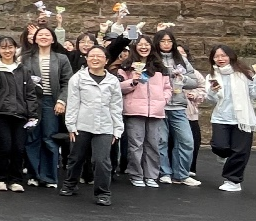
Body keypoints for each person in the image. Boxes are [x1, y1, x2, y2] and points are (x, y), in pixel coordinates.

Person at [62, 45, 124, 206]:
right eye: (92, 56)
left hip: (105, 127)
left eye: (99, 56)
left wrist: (117, 130)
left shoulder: (112, 81)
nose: (95, 59)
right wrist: (71, 126)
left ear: (106, 60)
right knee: (76, 157)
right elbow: (73, 103)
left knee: (101, 161)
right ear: (87, 59)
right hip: (81, 125)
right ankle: (70, 184)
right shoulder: (77, 78)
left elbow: (116, 107)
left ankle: (103, 193)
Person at [205, 45, 256, 192]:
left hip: (242, 118)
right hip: (221, 117)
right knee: (219, 146)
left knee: (240, 151)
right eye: (217, 56)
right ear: (212, 59)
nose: (220, 59)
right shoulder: (211, 77)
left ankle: (233, 181)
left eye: (223, 55)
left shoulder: (244, 74)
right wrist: (213, 92)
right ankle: (226, 157)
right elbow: (210, 100)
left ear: (230, 56)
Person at [0, 36, 40, 192]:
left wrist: (32, 114)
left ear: (16, 49)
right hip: (1, 113)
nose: (7, 50)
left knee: (19, 148)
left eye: (10, 47)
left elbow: (30, 93)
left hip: (20, 114)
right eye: (3, 47)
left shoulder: (23, 69)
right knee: (4, 147)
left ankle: (15, 180)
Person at [115, 35, 171, 188]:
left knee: (153, 144)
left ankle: (151, 175)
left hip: (156, 111)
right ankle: (136, 175)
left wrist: (164, 100)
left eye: (147, 44)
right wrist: (133, 81)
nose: (143, 47)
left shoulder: (160, 67)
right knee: (136, 145)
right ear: (135, 47)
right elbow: (118, 87)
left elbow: (168, 88)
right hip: (134, 110)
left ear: (151, 47)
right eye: (140, 44)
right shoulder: (126, 66)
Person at [22, 26, 73, 188]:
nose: (43, 37)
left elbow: (68, 82)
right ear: (35, 39)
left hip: (52, 102)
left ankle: (49, 177)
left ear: (53, 39)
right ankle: (33, 175)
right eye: (40, 35)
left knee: (49, 138)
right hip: (31, 102)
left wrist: (62, 101)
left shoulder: (61, 59)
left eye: (47, 35)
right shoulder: (26, 58)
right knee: (32, 138)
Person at [155, 30, 202, 186]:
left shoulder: (180, 59)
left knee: (187, 140)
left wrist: (182, 78)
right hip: (160, 105)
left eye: (169, 41)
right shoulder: (153, 58)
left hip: (178, 105)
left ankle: (181, 174)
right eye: (163, 41)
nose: (166, 44)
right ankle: (164, 172)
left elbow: (194, 81)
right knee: (161, 141)